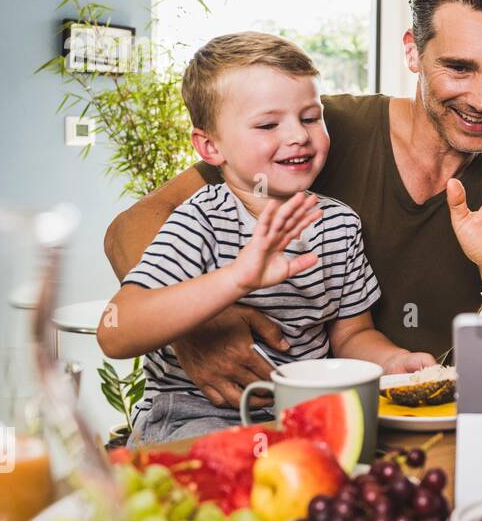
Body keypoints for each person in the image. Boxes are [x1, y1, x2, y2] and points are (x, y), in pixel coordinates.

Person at [104, 0, 482, 415]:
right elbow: (130, 229)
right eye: (459, 67)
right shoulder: (311, 134)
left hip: (374, 429)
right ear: (412, 51)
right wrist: (197, 326)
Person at [96, 33, 435, 442]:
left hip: (298, 418)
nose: (298, 136)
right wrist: (236, 278)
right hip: (196, 417)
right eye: (268, 124)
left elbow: (350, 334)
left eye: (311, 117)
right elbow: (115, 332)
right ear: (209, 146)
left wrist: (392, 361)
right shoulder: (199, 221)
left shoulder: (339, 224)